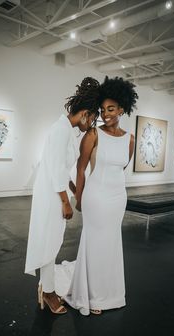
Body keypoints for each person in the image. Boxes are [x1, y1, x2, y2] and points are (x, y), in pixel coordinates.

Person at [24, 77, 100, 315]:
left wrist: (72, 187)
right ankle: (47, 292)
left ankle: (47, 288)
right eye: (93, 119)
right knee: (49, 241)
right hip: (51, 196)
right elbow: (55, 168)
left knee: (52, 241)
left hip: (54, 190)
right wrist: (66, 202)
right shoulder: (60, 130)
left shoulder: (66, 130)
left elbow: (59, 166)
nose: (91, 125)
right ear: (85, 114)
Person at [65, 76, 139, 315]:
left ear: (122, 109)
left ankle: (112, 294)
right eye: (103, 109)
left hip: (118, 198)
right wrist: (79, 198)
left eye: (111, 109)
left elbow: (123, 167)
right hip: (95, 197)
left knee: (111, 244)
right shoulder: (93, 135)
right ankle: (94, 297)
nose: (106, 114)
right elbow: (80, 168)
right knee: (95, 244)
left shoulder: (130, 139)